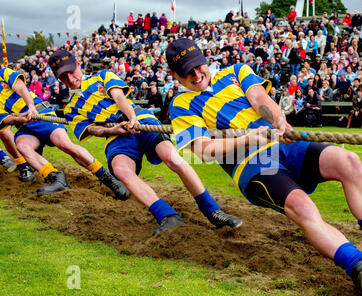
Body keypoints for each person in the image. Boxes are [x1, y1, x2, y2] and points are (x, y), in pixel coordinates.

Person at [166, 38, 362, 296]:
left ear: (205, 59)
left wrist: (278, 120)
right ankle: (360, 266)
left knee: (348, 161)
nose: (196, 74)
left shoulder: (236, 70)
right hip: (251, 164)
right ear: (175, 75)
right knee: (302, 206)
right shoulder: (180, 104)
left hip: (286, 143)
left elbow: (260, 99)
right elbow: (203, 150)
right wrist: (248, 138)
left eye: (198, 65)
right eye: (186, 72)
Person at [50, 49, 241, 235]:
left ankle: (214, 211)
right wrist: (111, 130)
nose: (71, 79)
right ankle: (167, 216)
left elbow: (118, 96)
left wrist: (132, 118)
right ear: (58, 80)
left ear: (77, 64)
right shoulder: (70, 109)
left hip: (142, 120)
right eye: (64, 77)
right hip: (117, 135)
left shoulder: (102, 76)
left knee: (172, 158)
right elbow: (91, 129)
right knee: (121, 171)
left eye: (71, 71)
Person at [0, 66, 129, 198]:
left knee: (64, 144)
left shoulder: (3, 72)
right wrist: (17, 118)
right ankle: (55, 178)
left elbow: (21, 88)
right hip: (23, 125)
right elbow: (3, 120)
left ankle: (107, 178)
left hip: (40, 112)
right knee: (22, 146)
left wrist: (30, 106)